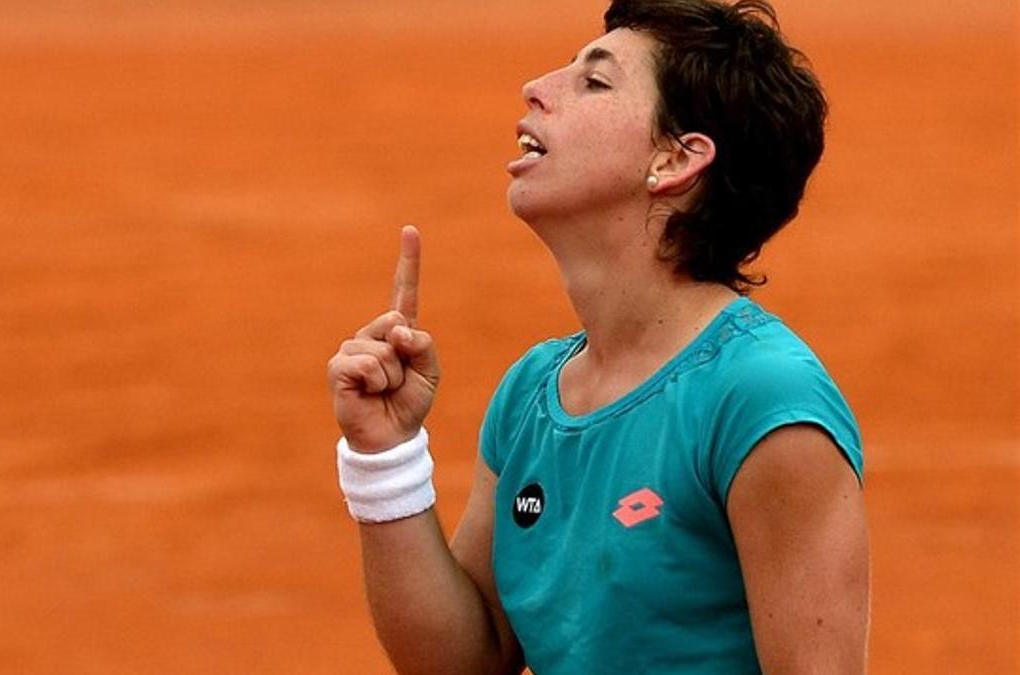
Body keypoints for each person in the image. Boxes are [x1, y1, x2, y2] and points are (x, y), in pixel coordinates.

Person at [325, 0, 869, 672]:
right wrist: (385, 458)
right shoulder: (533, 392)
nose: (537, 86)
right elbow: (465, 658)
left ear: (674, 160)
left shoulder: (760, 400)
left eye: (595, 80)